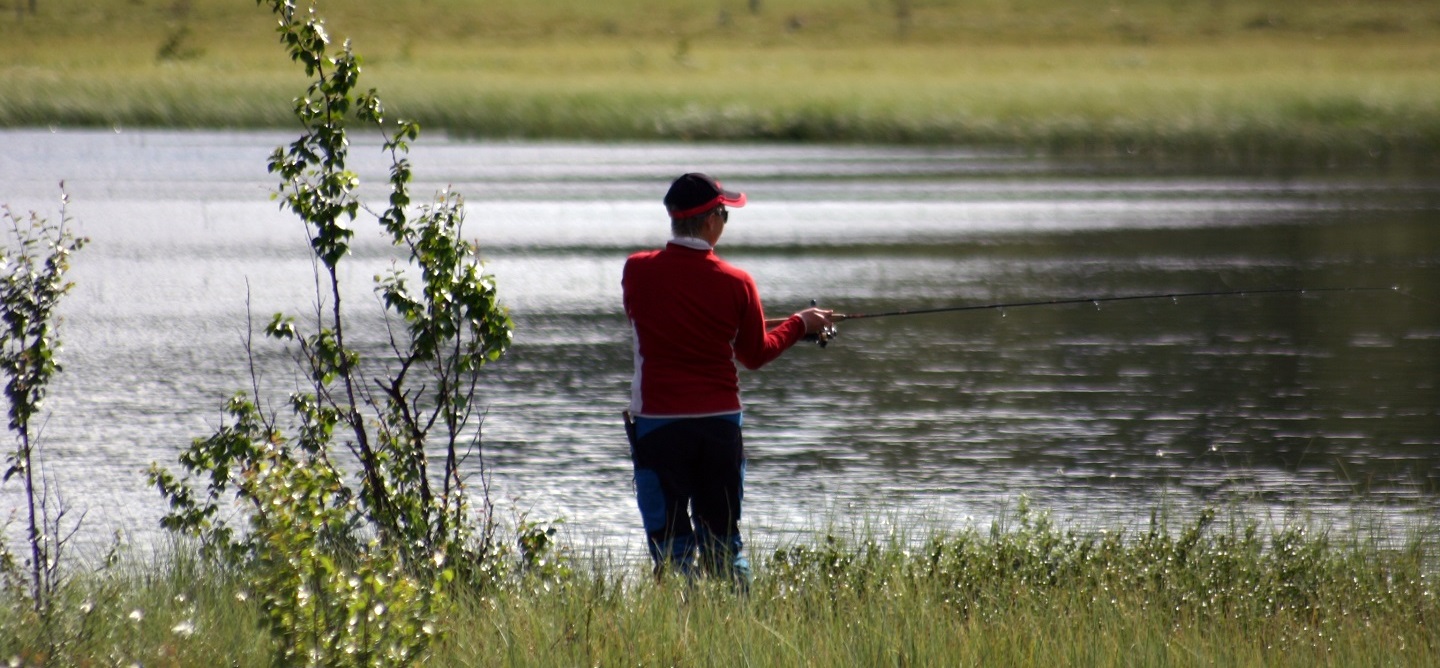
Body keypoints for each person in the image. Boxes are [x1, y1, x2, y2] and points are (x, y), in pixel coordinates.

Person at [622, 172, 833, 583]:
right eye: (725, 215)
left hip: (658, 427)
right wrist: (800, 324)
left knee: (670, 548)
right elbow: (754, 354)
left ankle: (676, 616)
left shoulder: (636, 270)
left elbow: (655, 317)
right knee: (723, 544)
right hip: (719, 429)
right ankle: (737, 613)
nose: (724, 223)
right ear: (710, 221)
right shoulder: (738, 283)